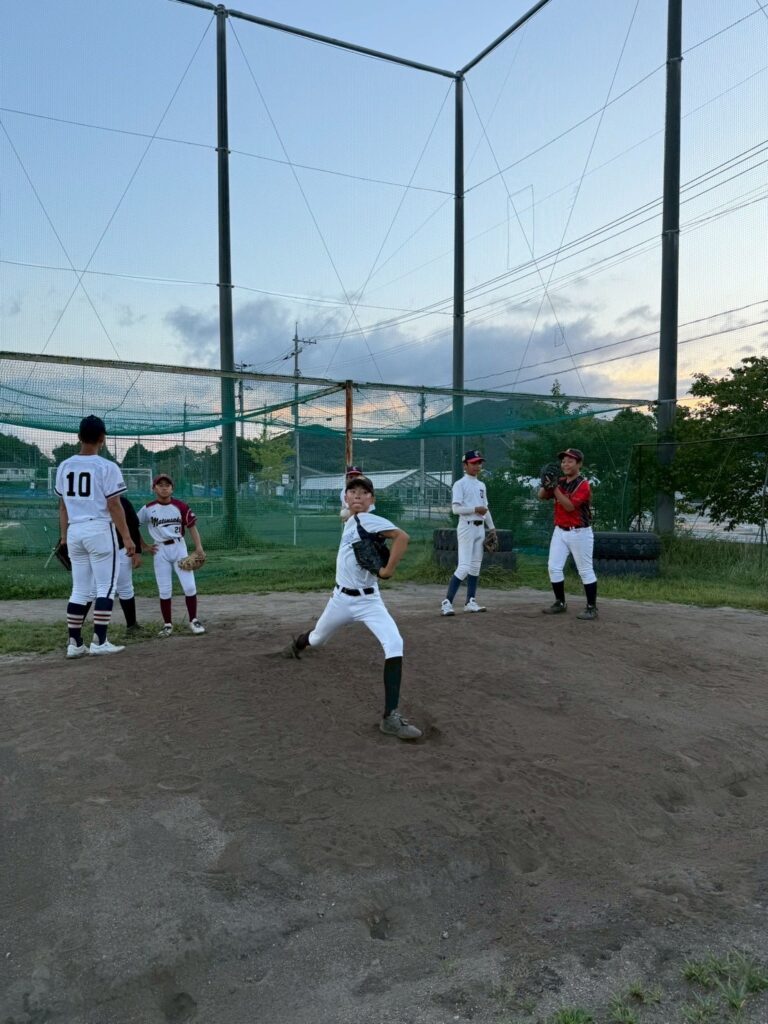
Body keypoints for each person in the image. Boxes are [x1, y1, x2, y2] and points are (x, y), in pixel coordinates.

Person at [283, 475, 421, 740]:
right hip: (341, 601)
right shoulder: (351, 519)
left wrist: (387, 571)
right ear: (345, 497)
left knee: (394, 643)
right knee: (317, 639)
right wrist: (349, 510)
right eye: (352, 491)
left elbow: (402, 537)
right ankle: (298, 644)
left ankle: (390, 717)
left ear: (372, 500)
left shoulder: (368, 519)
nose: (358, 495)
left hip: (370, 601)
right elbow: (349, 514)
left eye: (364, 492)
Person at [55, 415, 135, 658]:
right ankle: (100, 640)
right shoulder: (107, 466)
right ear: (102, 438)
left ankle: (74, 643)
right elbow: (114, 505)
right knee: (105, 587)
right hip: (99, 529)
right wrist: (127, 537)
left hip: (74, 530)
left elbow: (62, 506)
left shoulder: (64, 465)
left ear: (79, 437)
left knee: (79, 589)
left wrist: (64, 537)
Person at [136, 474, 206, 637]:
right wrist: (144, 546)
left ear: (172, 489)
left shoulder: (180, 506)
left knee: (189, 586)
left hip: (179, 547)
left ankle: (193, 620)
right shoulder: (147, 509)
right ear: (154, 488)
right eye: (160, 485)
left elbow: (192, 527)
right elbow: (134, 525)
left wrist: (199, 547)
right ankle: (167, 624)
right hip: (159, 550)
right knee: (164, 590)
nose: (164, 487)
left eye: (167, 485)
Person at [538, 447, 598, 620]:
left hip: (579, 532)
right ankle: (560, 603)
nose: (565, 464)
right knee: (554, 567)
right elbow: (541, 496)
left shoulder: (583, 484)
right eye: (563, 461)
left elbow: (570, 506)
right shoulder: (561, 481)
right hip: (560, 531)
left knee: (585, 570)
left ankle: (592, 607)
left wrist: (555, 487)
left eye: (570, 461)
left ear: (579, 464)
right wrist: (545, 484)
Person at [441, 449, 497, 616]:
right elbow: (456, 509)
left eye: (479, 463)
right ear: (465, 465)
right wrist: (475, 509)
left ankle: (470, 601)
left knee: (475, 566)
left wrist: (492, 528)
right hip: (466, 526)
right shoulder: (460, 484)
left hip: (480, 528)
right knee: (464, 566)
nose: (477, 466)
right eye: (473, 463)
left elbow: (486, 509)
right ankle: (447, 602)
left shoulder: (481, 485)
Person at [83, 495, 143, 632]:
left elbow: (133, 526)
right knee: (92, 589)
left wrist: (137, 551)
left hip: (120, 549)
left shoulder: (122, 501)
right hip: (98, 550)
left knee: (124, 587)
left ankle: (132, 625)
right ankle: (78, 628)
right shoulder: (91, 500)